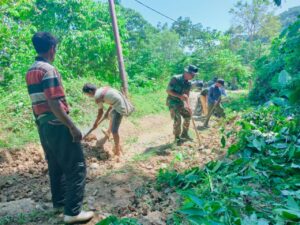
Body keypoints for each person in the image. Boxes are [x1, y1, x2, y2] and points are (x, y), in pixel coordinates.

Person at [25, 32, 93, 224]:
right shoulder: (48, 70)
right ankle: (72, 212)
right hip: (56, 123)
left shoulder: (31, 70)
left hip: (43, 124)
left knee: (55, 164)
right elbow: (54, 103)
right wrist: (72, 126)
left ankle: (60, 203)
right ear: (52, 48)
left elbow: (36, 102)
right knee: (76, 166)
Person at [82, 83, 129, 156]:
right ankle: (108, 133)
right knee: (111, 115)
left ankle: (117, 150)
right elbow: (112, 100)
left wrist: (96, 123)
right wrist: (107, 112)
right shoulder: (101, 90)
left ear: (90, 92)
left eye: (87, 94)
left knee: (115, 130)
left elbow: (100, 112)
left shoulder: (97, 97)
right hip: (118, 102)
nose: (88, 96)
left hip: (120, 106)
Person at [166, 65, 198, 145]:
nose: (193, 76)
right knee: (178, 119)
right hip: (172, 102)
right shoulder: (175, 79)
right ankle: (177, 138)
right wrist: (180, 96)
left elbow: (186, 95)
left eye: (194, 75)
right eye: (192, 75)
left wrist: (188, 105)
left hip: (180, 103)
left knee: (188, 115)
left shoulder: (189, 83)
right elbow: (168, 91)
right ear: (186, 73)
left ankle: (185, 133)